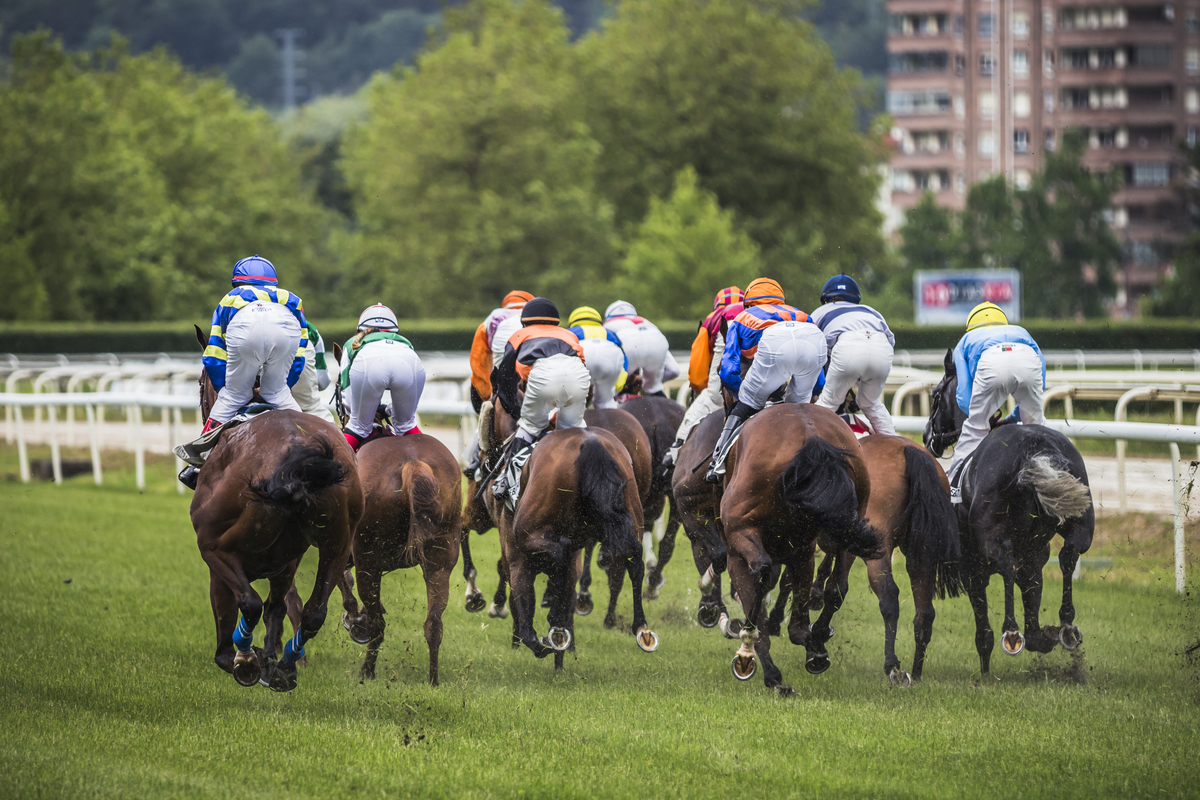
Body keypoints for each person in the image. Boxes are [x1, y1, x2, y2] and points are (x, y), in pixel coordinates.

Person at [178, 255, 308, 485]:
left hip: (245, 326)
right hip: (286, 328)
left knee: (233, 395)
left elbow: (214, 354)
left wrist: (227, 389)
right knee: (278, 393)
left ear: (237, 282)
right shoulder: (292, 298)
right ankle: (310, 446)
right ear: (273, 282)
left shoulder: (231, 298)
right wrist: (281, 386)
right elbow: (299, 352)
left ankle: (199, 463)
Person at [705, 278, 825, 483]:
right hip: (813, 337)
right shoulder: (803, 315)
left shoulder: (742, 317)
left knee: (747, 402)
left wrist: (743, 395)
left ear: (748, 303)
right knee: (797, 410)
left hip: (774, 343)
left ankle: (717, 462)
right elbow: (820, 382)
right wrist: (809, 392)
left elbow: (727, 371)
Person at [490, 298, 590, 509]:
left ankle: (507, 481)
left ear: (525, 322)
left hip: (543, 375)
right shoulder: (569, 334)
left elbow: (504, 381)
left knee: (529, 427)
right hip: (579, 376)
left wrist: (517, 412)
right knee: (571, 433)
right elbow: (580, 363)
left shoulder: (518, 335)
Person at [946, 301, 1046, 501]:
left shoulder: (965, 340)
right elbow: (1040, 379)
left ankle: (953, 493)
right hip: (1027, 358)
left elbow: (963, 394)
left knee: (974, 430)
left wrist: (982, 418)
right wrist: (1015, 417)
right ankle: (1052, 475)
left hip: (991, 362)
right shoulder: (1022, 332)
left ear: (971, 326)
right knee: (1037, 429)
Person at [663, 286, 744, 469]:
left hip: (724, 385)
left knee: (711, 398)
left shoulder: (713, 318)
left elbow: (698, 371)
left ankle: (674, 455)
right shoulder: (757, 313)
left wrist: (700, 389)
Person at [810, 274, 897, 436]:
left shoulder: (819, 312)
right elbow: (890, 343)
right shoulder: (871, 311)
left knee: (828, 403)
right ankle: (895, 443)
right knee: (871, 404)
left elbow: (812, 353)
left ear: (826, 300)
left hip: (847, 347)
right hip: (882, 348)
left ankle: (809, 447)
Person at [463, 290, 533, 475]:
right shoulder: (539, 316)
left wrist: (489, 396)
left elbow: (479, 365)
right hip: (534, 374)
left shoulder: (492, 319)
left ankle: (477, 458)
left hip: (506, 377)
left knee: (490, 408)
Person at [339, 304, 426, 451]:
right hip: (410, 360)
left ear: (360, 329)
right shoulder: (405, 342)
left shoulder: (352, 343)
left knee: (358, 427)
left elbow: (347, 393)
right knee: (406, 425)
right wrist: (388, 409)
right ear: (394, 330)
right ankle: (432, 459)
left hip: (368, 362)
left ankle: (329, 466)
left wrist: (353, 412)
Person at [603, 301, 680, 397]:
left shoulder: (607, 325)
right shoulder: (648, 324)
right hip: (656, 343)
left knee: (608, 394)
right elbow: (674, 371)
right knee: (654, 388)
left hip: (628, 347)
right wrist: (646, 381)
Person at [567, 306, 628, 409]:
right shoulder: (610, 332)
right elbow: (624, 359)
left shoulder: (569, 331)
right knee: (605, 403)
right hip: (610, 357)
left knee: (572, 405)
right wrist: (619, 385)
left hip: (583, 356)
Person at [290, 321, 335, 422]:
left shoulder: (256, 320)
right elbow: (323, 382)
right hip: (305, 406)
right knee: (314, 410)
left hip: (268, 400)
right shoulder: (310, 329)